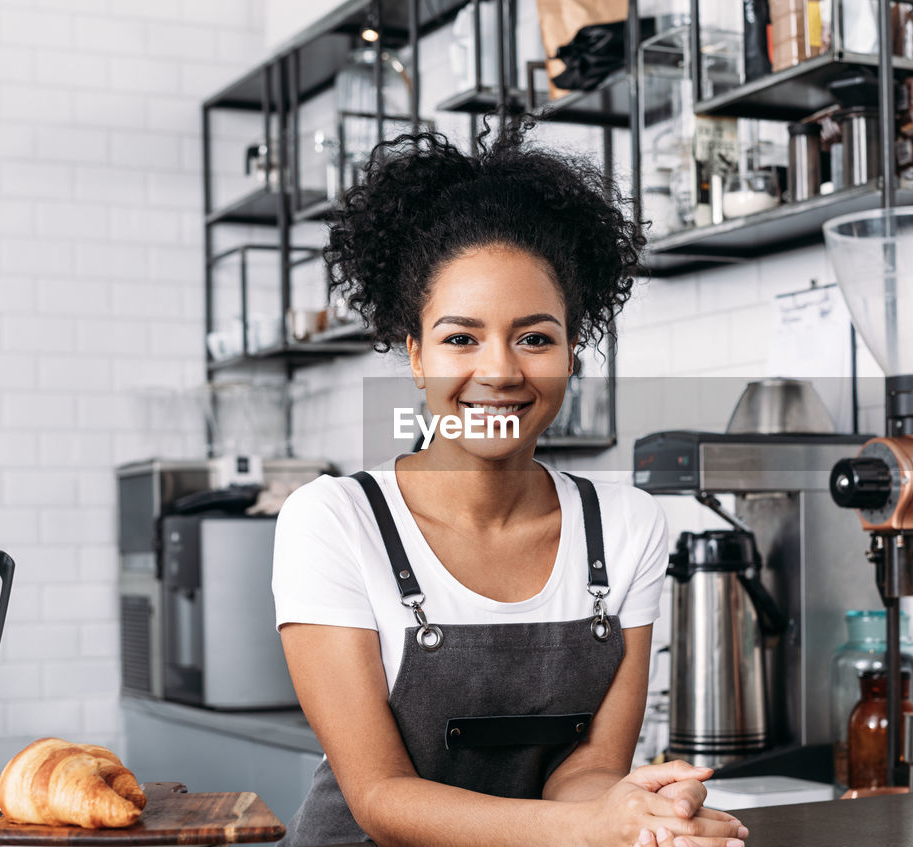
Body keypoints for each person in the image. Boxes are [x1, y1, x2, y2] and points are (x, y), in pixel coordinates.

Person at [271, 115, 749, 847]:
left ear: (571, 352)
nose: (499, 370)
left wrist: (638, 815)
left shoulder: (625, 526)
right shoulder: (334, 520)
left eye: (535, 336)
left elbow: (587, 768)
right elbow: (380, 796)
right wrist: (592, 827)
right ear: (416, 355)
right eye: (461, 337)